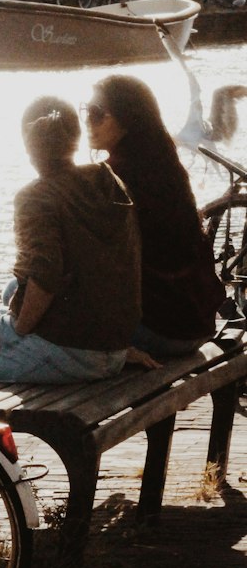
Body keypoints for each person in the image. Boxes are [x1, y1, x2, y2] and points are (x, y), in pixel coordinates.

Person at [0, 96, 143, 389]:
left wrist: (20, 329)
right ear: (76, 137)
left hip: (71, 351)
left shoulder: (35, 197)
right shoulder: (107, 179)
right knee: (1, 308)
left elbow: (46, 274)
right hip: (112, 346)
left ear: (28, 145)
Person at [85, 75, 226, 359]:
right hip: (196, 325)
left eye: (96, 114)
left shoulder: (112, 177)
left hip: (157, 332)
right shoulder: (166, 164)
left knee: (21, 304)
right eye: (85, 112)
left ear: (126, 119)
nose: (88, 121)